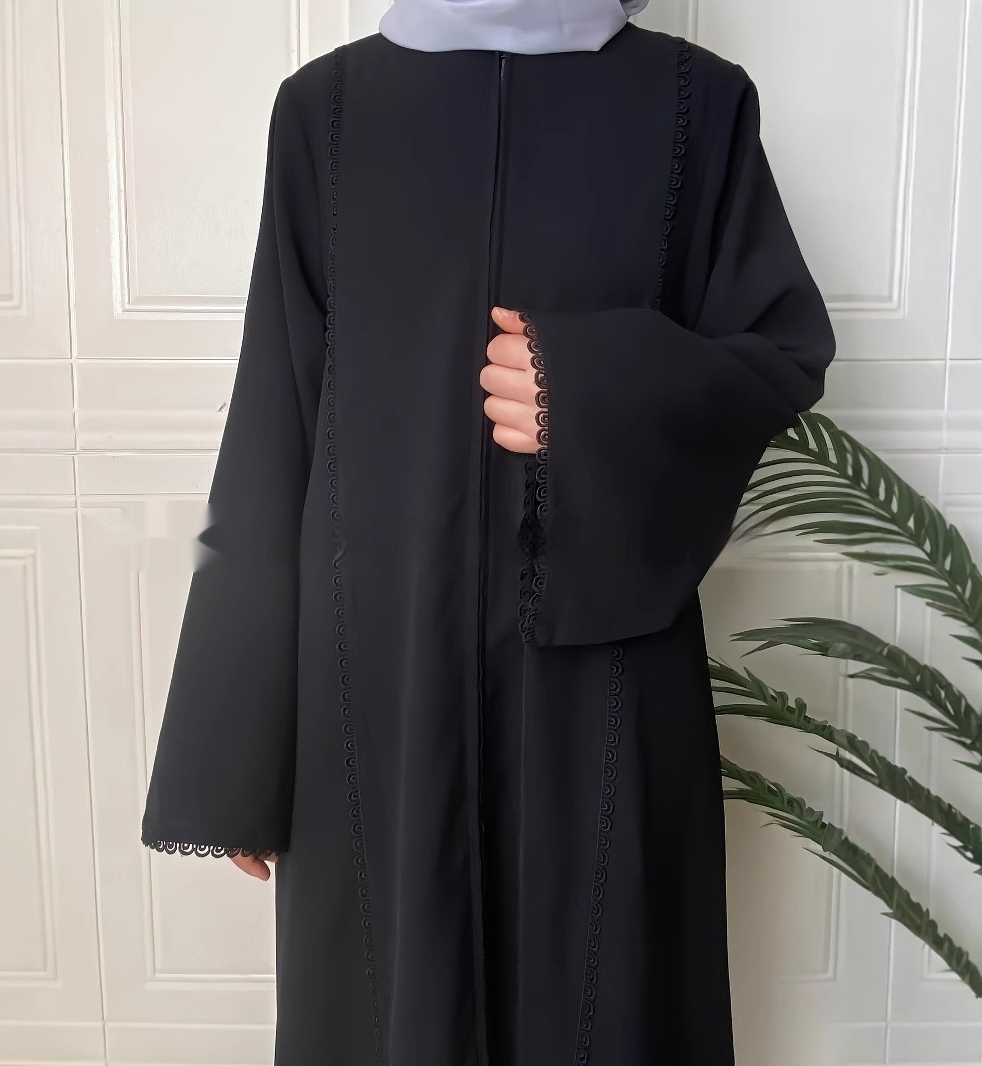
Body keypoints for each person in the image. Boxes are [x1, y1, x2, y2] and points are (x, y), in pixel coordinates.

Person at [140, 0, 837, 1062]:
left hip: (607, 674)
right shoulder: (326, 113)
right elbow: (276, 420)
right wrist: (237, 747)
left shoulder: (696, 106)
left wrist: (591, 386)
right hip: (378, 687)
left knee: (603, 993)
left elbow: (779, 353)